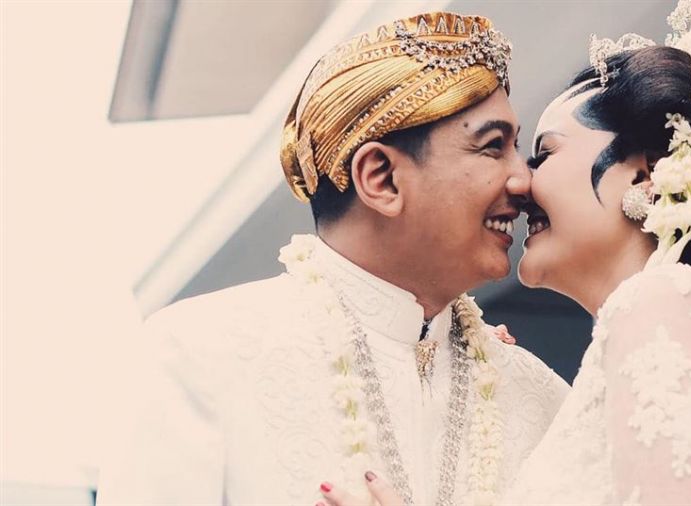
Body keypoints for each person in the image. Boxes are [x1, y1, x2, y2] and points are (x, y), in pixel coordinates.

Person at [321, 2, 691, 505]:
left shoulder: (667, 305)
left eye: (543, 154)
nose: (521, 183)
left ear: (645, 173)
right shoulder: (666, 321)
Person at [97, 12, 569, 506]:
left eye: (516, 148)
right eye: (493, 148)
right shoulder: (199, 353)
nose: (523, 180)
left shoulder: (539, 396)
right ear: (381, 178)